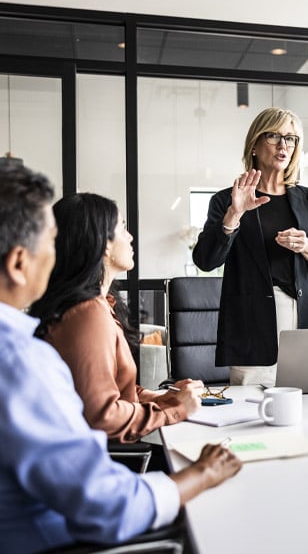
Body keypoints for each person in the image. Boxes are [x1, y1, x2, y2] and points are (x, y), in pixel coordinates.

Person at [0, 164, 242, 553]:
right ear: (17, 263)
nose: (56, 250)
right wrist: (202, 472)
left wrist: (163, 400)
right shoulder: (24, 360)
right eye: (49, 239)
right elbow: (106, 503)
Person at [29, 192, 203, 447]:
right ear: (105, 245)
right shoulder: (87, 315)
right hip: (104, 466)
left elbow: (114, 390)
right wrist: (174, 411)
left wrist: (164, 398)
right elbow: (102, 416)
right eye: (122, 227)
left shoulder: (101, 306)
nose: (130, 236)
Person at [193, 107, 308, 386]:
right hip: (253, 326)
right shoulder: (227, 199)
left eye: (291, 138)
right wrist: (233, 215)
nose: (283, 145)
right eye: (274, 136)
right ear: (255, 144)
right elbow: (205, 260)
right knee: (251, 415)